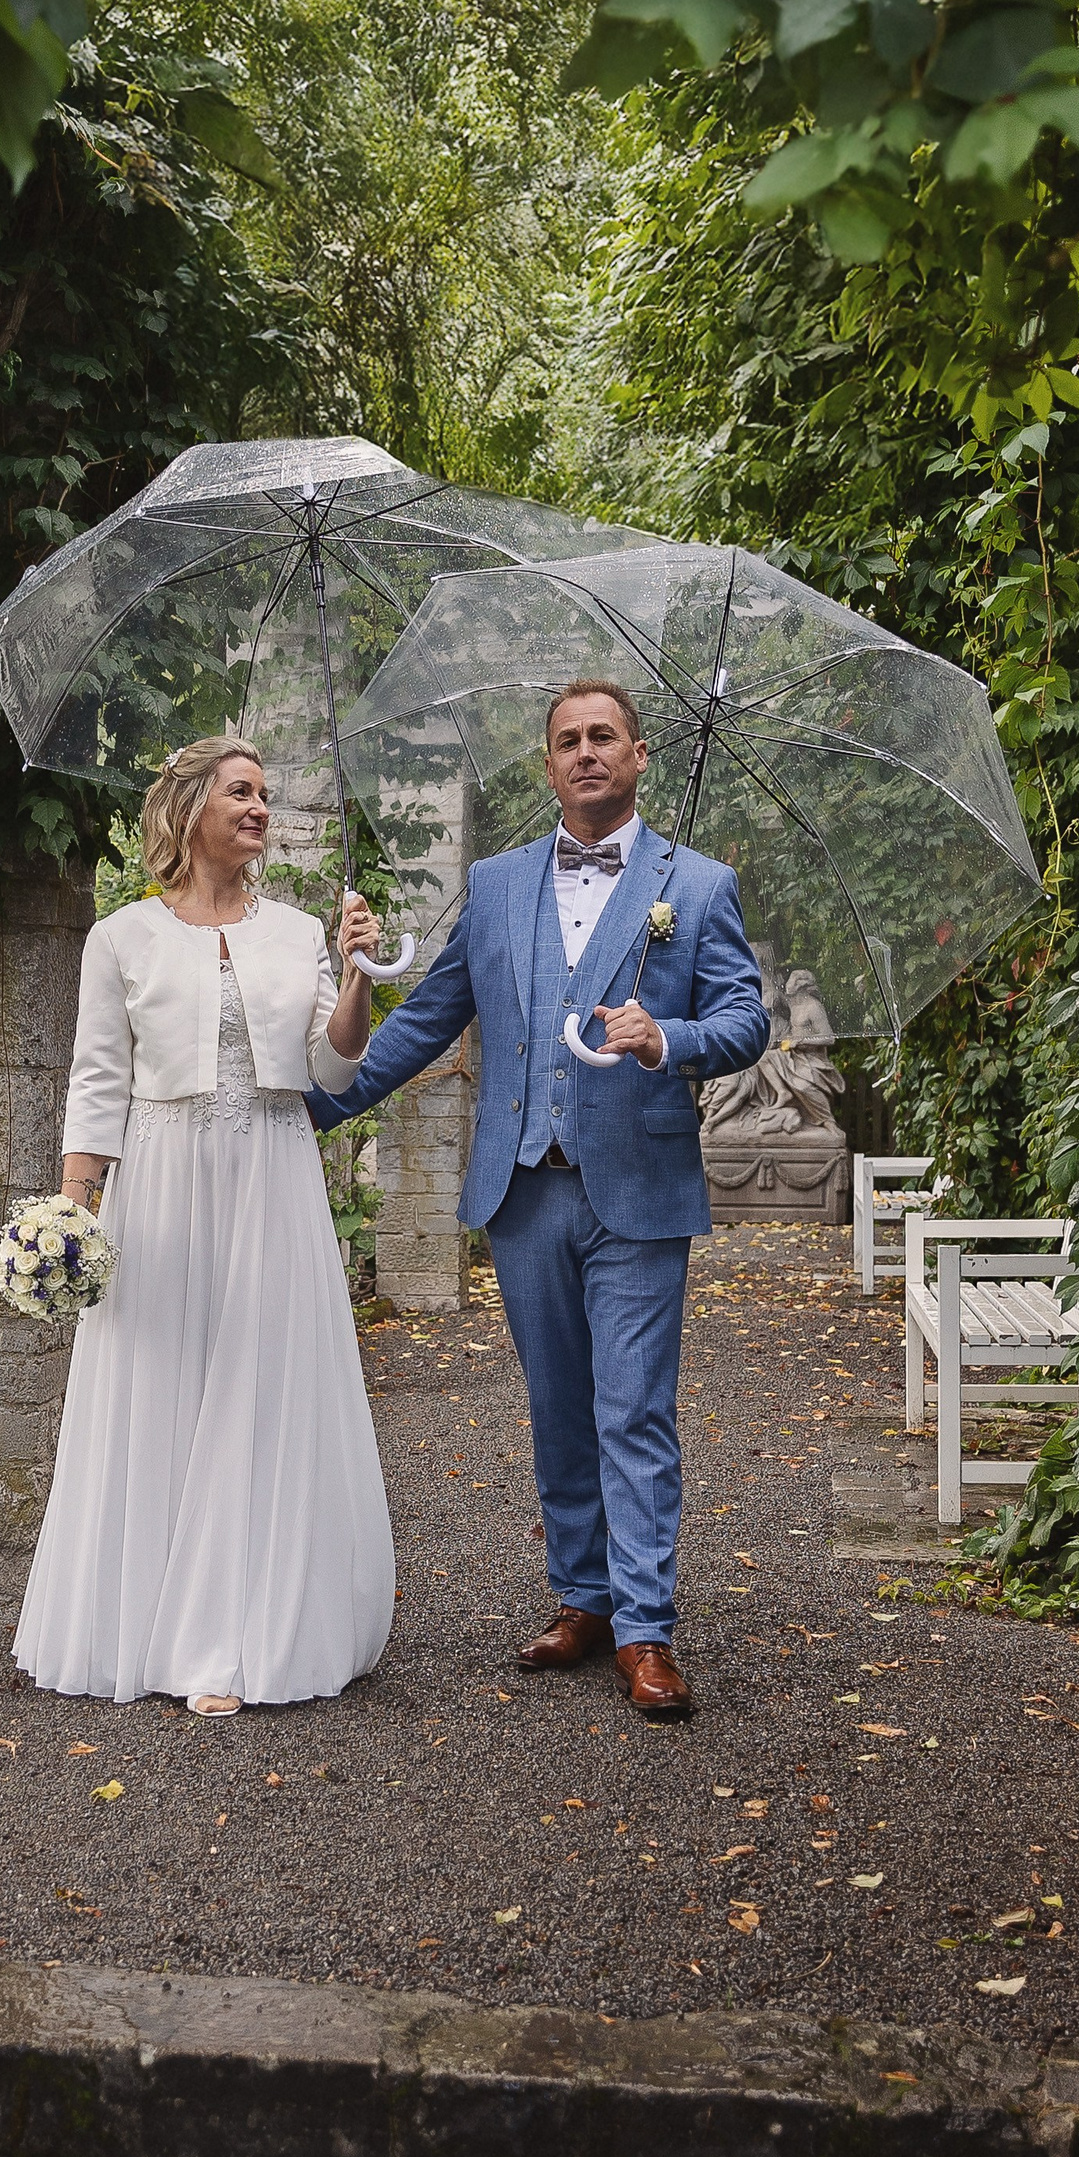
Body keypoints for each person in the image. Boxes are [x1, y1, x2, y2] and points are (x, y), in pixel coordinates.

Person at [308, 682, 768, 1720]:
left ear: (639, 755)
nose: (585, 752)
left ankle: (646, 1630)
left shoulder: (694, 886)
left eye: (603, 735)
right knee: (558, 1408)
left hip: (639, 1189)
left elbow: (745, 1017)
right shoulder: (498, 882)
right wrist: (311, 1107)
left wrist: (671, 1037)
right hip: (522, 1190)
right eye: (567, 741)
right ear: (547, 765)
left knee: (633, 1409)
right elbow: (428, 1017)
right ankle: (586, 1597)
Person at [13, 735, 396, 1715]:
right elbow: (97, 1078)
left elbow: (335, 1067)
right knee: (163, 1383)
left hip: (270, 1172)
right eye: (241, 791)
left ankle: (234, 1636)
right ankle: (146, 1625)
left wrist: (356, 972)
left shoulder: (297, 933)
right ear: (188, 809)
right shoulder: (123, 939)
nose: (260, 807)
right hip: (164, 1180)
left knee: (258, 1392)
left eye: (266, 794)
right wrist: (74, 1207)